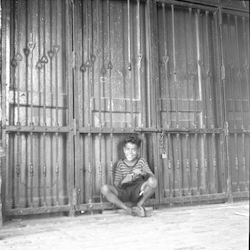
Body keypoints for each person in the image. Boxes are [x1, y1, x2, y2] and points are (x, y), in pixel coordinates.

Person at [101, 135, 158, 217]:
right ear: (124, 150)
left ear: (138, 151)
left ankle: (140, 204)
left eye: (134, 150)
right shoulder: (120, 164)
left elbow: (152, 178)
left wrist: (141, 172)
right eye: (128, 149)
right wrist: (124, 180)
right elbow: (116, 184)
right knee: (104, 189)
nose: (130, 153)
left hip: (139, 191)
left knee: (153, 181)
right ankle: (127, 209)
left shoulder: (141, 161)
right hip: (124, 192)